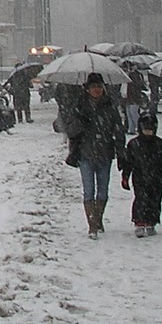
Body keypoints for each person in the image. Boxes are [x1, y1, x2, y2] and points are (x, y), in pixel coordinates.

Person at [62, 71, 126, 238]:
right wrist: (80, 122)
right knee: (89, 190)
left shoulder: (110, 106)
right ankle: (92, 224)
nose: (96, 90)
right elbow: (70, 129)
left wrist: (121, 151)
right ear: (87, 89)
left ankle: (98, 218)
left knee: (103, 191)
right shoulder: (79, 106)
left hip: (105, 153)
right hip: (85, 154)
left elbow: (118, 129)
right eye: (93, 87)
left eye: (99, 86)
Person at [119, 113, 162, 237]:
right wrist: (125, 176)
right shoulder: (134, 145)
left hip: (157, 177)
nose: (148, 132)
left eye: (150, 130)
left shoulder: (161, 145)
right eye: (145, 129)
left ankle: (151, 221)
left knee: (155, 199)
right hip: (140, 176)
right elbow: (128, 162)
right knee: (141, 198)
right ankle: (139, 222)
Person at [123, 69, 147, 135]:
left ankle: (139, 128)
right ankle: (132, 129)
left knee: (133, 114)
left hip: (132, 99)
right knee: (130, 114)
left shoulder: (133, 77)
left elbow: (135, 89)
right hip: (129, 98)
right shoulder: (129, 77)